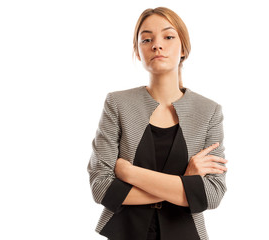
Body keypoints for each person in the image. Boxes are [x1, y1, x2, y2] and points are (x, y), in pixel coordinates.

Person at [87, 6, 228, 240]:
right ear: (138, 50)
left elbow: (212, 194)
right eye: (146, 39)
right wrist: (185, 183)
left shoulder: (209, 111)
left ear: (183, 47)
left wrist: (129, 173)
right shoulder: (117, 103)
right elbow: (101, 188)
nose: (157, 45)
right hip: (125, 232)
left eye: (168, 36)